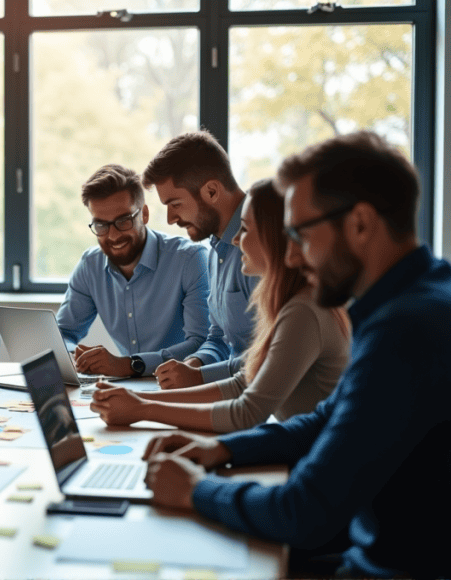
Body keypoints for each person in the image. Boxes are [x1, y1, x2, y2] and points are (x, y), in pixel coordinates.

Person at [142, 131, 451, 577]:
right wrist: (218, 449)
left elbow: (303, 511)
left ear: (360, 225)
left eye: (300, 234)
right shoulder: (413, 298)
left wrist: (196, 491)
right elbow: (324, 419)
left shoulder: (407, 329)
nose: (290, 255)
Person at [91, 179, 349, 432]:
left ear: (274, 238)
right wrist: (139, 401)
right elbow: (242, 384)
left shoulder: (303, 311)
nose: (236, 240)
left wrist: (142, 410)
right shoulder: (290, 302)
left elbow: (247, 412)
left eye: (245, 229)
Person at [56, 164, 210, 378]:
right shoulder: (90, 266)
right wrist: (75, 356)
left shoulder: (190, 260)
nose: (113, 236)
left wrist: (130, 365)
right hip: (127, 388)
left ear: (144, 214)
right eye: (101, 225)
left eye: (123, 221)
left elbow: (203, 344)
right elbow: (62, 333)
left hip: (184, 387)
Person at [142, 131, 257, 388]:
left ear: (212, 191)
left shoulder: (261, 244)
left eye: (175, 204)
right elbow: (218, 338)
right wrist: (192, 365)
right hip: (234, 395)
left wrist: (199, 377)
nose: (170, 218)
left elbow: (273, 355)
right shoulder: (215, 249)